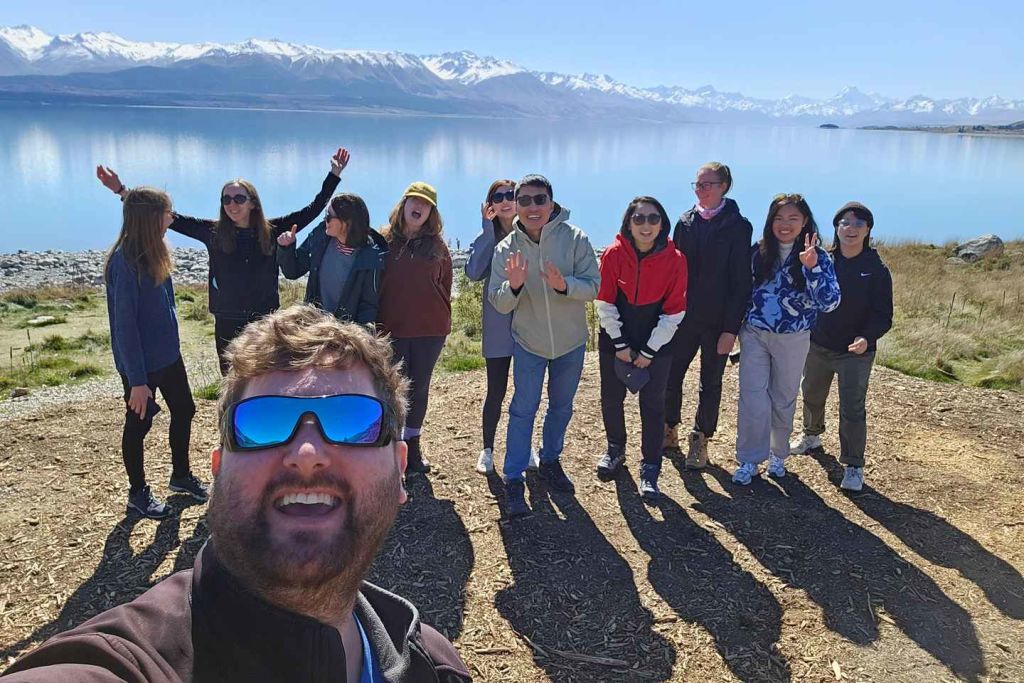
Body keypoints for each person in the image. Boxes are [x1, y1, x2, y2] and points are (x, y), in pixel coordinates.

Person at [2, 305, 472, 683]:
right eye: (262, 423)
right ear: (218, 472)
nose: (306, 453)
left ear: (400, 469)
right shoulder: (127, 662)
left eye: (353, 421)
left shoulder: (434, 664)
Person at [96, 147, 350, 374]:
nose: (232, 204)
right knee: (230, 379)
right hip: (226, 318)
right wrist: (122, 191)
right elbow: (164, 215)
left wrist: (334, 175)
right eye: (226, 199)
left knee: (262, 375)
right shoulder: (213, 232)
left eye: (239, 198)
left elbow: (312, 209)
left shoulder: (272, 231)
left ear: (252, 203)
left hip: (264, 317)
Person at [489, 174, 600, 517]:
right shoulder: (506, 249)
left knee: (561, 407)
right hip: (529, 343)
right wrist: (515, 286)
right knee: (523, 409)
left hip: (570, 343)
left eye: (540, 199)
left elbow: (594, 286)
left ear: (552, 204)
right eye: (524, 200)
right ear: (517, 206)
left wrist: (564, 285)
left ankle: (550, 460)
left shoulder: (575, 238)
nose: (532, 207)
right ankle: (513, 478)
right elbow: (498, 302)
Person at [103, 187, 207, 519]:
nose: (171, 218)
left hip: (168, 358)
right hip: (142, 367)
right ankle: (138, 493)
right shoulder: (124, 262)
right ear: (150, 219)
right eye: (166, 213)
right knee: (138, 425)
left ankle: (180, 476)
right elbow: (125, 328)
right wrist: (137, 382)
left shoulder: (155, 250)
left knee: (185, 409)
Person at [733, 194, 841, 485]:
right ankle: (749, 459)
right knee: (752, 398)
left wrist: (812, 268)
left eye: (793, 218)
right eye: (779, 218)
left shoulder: (817, 256)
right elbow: (742, 292)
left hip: (794, 337)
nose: (785, 224)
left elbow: (830, 302)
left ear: (804, 222)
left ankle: (778, 454)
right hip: (755, 333)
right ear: (770, 221)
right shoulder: (758, 252)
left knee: (783, 398)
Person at [790, 202, 893, 492]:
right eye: (845, 223)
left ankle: (853, 464)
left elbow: (883, 315)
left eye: (859, 224)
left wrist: (867, 338)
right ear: (836, 228)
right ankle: (811, 435)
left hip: (856, 352)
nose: (851, 229)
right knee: (811, 393)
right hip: (819, 344)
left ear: (868, 230)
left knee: (852, 408)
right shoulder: (824, 260)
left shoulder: (876, 270)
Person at [594, 197, 687, 502]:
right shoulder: (613, 254)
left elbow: (674, 312)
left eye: (653, 218)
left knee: (653, 404)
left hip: (657, 339)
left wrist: (648, 352)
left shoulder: (675, 259)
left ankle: (651, 465)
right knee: (611, 398)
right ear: (629, 223)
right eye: (639, 218)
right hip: (615, 336)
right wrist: (620, 345)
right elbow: (604, 302)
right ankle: (615, 449)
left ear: (662, 224)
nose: (646, 225)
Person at [664, 162, 754, 469]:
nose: (701, 190)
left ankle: (700, 438)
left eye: (708, 185)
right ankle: (668, 429)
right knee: (671, 373)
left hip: (718, 321)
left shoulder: (738, 226)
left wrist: (731, 329)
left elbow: (741, 283)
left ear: (724, 187)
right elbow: (673, 271)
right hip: (684, 318)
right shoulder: (685, 222)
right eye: (698, 185)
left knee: (710, 381)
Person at [376, 182, 453, 475]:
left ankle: (413, 445)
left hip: (429, 329)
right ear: (404, 204)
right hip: (390, 328)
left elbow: (445, 284)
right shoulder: (383, 240)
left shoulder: (438, 247)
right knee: (391, 388)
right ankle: (390, 446)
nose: (419, 207)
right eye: (414, 201)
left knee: (419, 387)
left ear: (432, 212)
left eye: (426, 204)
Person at [464, 179, 539, 475]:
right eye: (498, 197)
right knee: (496, 390)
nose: (506, 201)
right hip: (498, 326)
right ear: (490, 204)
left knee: (527, 391)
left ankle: (525, 445)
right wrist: (486, 230)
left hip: (528, 324)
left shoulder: (532, 233)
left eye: (511, 195)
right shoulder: (488, 236)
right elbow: (473, 272)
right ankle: (487, 449)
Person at [277, 192, 387, 324]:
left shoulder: (371, 256)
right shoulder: (320, 236)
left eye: (329, 216)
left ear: (347, 222)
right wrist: (287, 248)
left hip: (344, 332)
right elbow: (292, 272)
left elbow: (368, 306)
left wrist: (361, 334)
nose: (325, 220)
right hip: (313, 327)